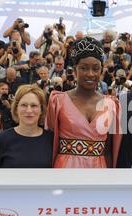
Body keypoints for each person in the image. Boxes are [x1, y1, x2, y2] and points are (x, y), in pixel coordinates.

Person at [46, 37, 121, 168]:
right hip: (65, 171)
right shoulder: (58, 101)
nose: (90, 74)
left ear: (101, 71)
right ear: (75, 70)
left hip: (99, 173)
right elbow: (49, 144)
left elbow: (109, 150)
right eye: (84, 68)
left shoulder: (112, 105)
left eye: (96, 68)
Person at [0, 85, 53, 168]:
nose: (29, 110)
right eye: (24, 105)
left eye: (34, 106)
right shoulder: (1, 140)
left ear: (41, 110)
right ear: (16, 109)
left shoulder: (51, 140)